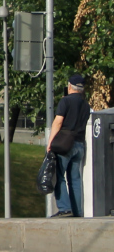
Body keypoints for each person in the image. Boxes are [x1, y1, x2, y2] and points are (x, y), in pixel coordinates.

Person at [49, 73, 91, 218]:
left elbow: (58, 122)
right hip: (79, 144)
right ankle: (77, 211)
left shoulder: (65, 101)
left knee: (58, 176)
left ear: (69, 87)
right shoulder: (86, 105)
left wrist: (50, 143)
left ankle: (65, 208)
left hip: (64, 144)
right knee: (75, 179)